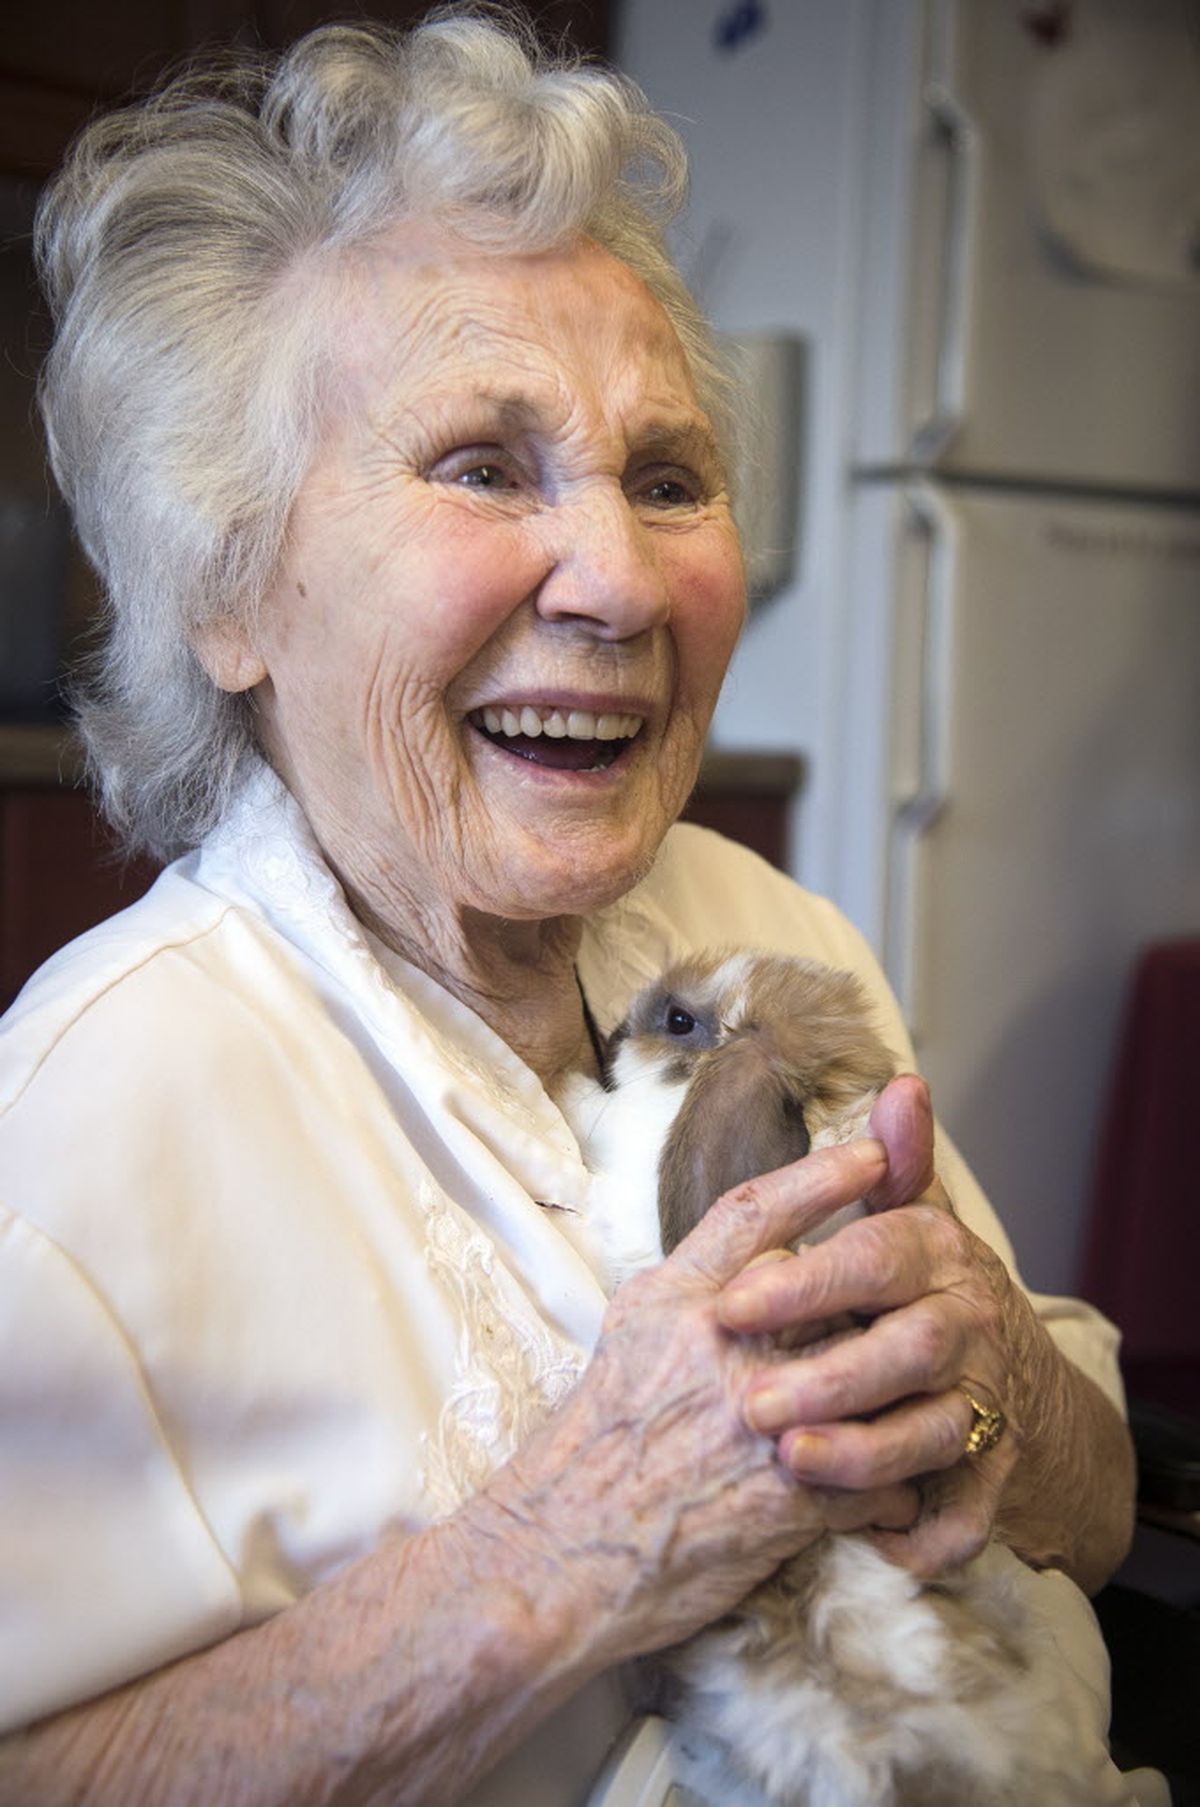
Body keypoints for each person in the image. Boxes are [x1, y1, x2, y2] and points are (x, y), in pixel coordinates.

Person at [0, 10, 1142, 1804]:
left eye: (667, 479)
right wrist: (576, 1549)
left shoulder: (772, 930)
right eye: (481, 465)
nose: (619, 578)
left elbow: (1100, 1489)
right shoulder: (88, 1118)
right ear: (231, 595)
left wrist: (984, 1383)